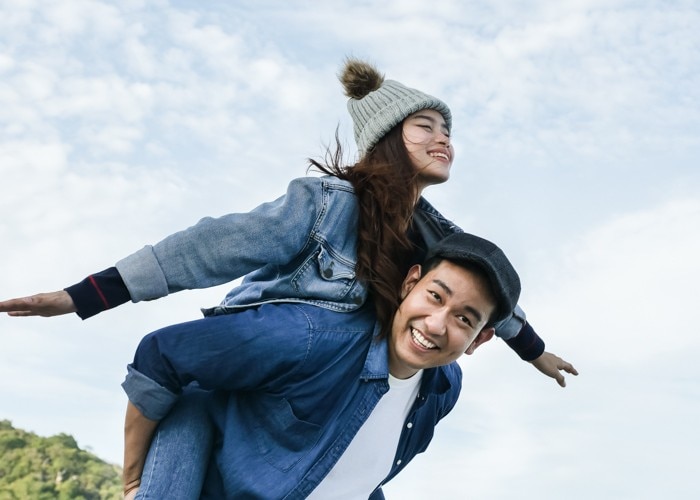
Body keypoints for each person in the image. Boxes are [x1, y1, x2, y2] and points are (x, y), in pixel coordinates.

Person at [0, 58, 576, 495]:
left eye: (447, 130)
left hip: (307, 393)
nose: (443, 138)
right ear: (387, 138)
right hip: (241, 365)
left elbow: (489, 298)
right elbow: (210, 246)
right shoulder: (326, 205)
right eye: (424, 127)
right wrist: (86, 295)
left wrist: (536, 352)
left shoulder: (435, 238)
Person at [123, 232, 525, 499]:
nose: (436, 325)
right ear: (410, 283)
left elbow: (360, 473)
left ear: (481, 339)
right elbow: (164, 352)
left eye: (465, 319)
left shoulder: (443, 390)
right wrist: (135, 477)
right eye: (435, 297)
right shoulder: (314, 339)